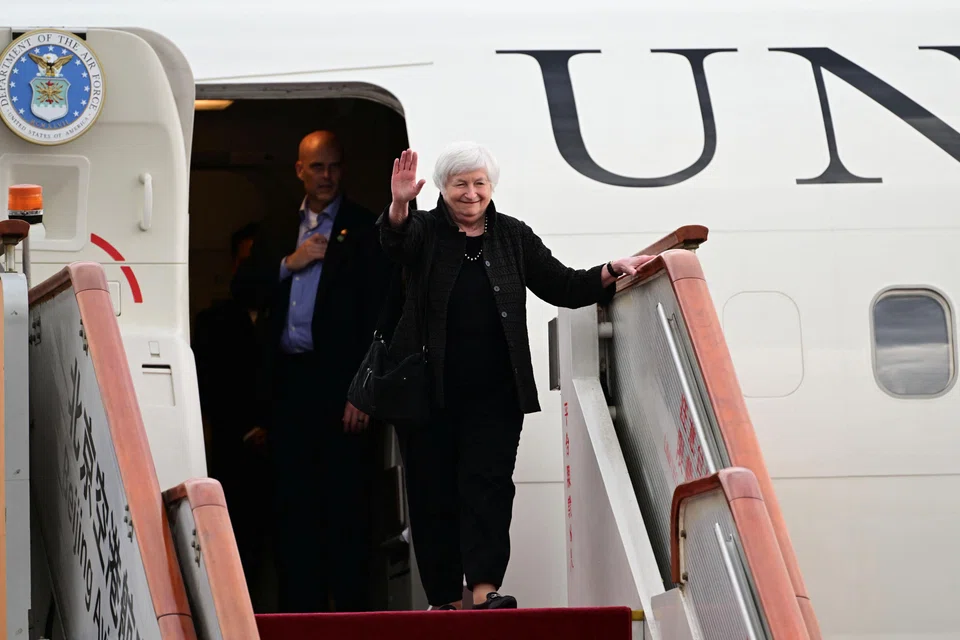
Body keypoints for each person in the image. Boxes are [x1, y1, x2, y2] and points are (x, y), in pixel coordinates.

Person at [378, 142, 654, 611]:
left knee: (488, 489)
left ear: (492, 187)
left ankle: (484, 589)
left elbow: (562, 285)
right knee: (432, 495)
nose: (470, 193)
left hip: (496, 395)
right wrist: (401, 204)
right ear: (443, 189)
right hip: (428, 394)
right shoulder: (424, 230)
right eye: (460, 184)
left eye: (479, 183)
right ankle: (444, 599)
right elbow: (394, 242)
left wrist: (608, 271)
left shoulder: (512, 236)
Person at [231, 130, 390, 613]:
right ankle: (300, 615)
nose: (327, 176)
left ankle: (352, 616)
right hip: (289, 389)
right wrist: (287, 264)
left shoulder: (366, 227)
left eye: (334, 167)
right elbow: (244, 292)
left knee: (346, 508)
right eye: (317, 167)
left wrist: (363, 391)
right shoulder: (278, 226)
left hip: (341, 387)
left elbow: (380, 315)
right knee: (292, 509)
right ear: (299, 169)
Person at [193, 222, 271, 608]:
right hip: (231, 450)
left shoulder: (295, 315)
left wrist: (272, 426)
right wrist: (243, 430)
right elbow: (207, 385)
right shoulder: (213, 323)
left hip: (286, 446)